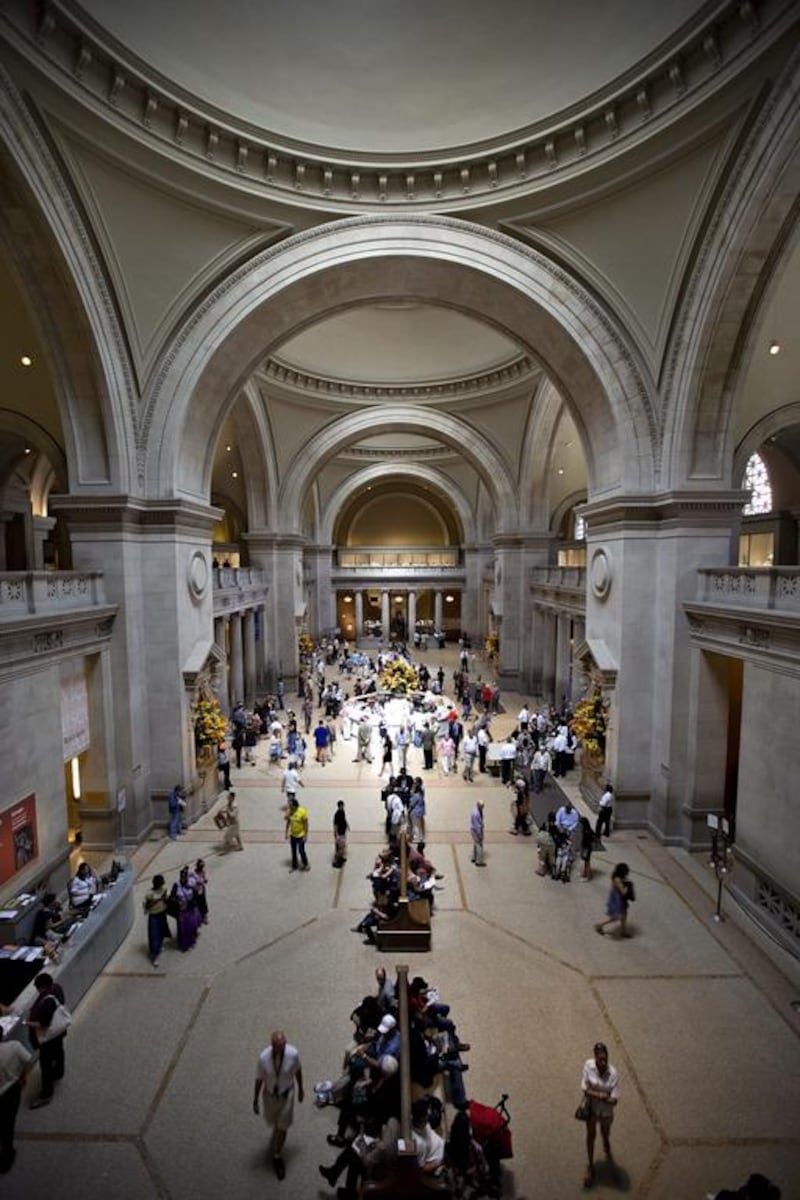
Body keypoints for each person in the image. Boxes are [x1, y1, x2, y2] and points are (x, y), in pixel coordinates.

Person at [253, 1030, 305, 1181]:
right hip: (269, 1096)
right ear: (272, 1045)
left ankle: (277, 1155)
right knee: (272, 1121)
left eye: (284, 1045)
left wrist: (301, 1089)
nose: (282, 1048)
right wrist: (255, 1099)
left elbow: (298, 1070)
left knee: (283, 1126)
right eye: (279, 1046)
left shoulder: (293, 1054)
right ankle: (277, 1127)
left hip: (286, 1094)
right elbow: (259, 1079)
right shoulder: (263, 1058)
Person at [580, 1041, 619, 1188]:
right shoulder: (588, 1066)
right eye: (600, 1058)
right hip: (592, 1110)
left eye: (605, 1058)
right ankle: (591, 1166)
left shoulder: (613, 1073)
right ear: (595, 1057)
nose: (603, 1061)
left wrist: (594, 1093)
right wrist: (602, 1095)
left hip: (606, 1112)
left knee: (605, 1133)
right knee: (590, 1136)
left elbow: (614, 1100)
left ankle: (606, 1142)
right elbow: (584, 1088)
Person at [27, 972, 67, 1109]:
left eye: (38, 988)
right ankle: (59, 1071)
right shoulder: (57, 988)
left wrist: (28, 1023)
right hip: (58, 1032)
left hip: (48, 1037)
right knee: (59, 1051)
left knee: (45, 1065)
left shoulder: (47, 1001)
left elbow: (43, 1024)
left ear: (42, 987)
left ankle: (46, 1094)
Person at [0, 1025, 32, 1172]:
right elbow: (28, 1060)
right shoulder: (14, 1046)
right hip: (12, 1090)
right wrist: (23, 1076)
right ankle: (7, 1155)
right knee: (8, 1124)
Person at [595, 863, 634, 937]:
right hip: (617, 899)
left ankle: (623, 931)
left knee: (624, 914)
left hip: (616, 896)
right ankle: (600, 925)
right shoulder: (618, 880)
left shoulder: (615, 875)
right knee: (616, 917)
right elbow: (623, 892)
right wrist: (629, 887)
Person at [170, 866, 201, 951]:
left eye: (185, 877)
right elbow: (171, 897)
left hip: (191, 907)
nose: (183, 878)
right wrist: (178, 900)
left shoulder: (191, 883)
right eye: (182, 877)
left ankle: (192, 941)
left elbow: (197, 891)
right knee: (183, 928)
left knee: (192, 925)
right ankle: (184, 945)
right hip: (182, 909)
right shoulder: (176, 885)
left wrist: (195, 889)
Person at [142, 873, 170, 967]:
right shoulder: (150, 894)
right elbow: (147, 906)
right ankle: (154, 956)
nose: (161, 885)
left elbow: (166, 899)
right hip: (153, 916)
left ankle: (160, 945)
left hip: (162, 913)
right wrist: (158, 900)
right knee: (154, 934)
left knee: (161, 931)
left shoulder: (163, 889)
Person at [285, 797, 310, 871]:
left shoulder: (302, 812)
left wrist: (305, 835)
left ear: (295, 806)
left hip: (301, 835)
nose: (289, 807)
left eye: (291, 806)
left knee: (301, 850)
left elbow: (306, 824)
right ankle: (294, 865)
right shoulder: (290, 811)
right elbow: (288, 822)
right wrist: (286, 832)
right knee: (293, 851)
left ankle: (306, 864)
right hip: (293, 835)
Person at [189, 858, 209, 924]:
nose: (202, 868)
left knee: (203, 903)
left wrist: (204, 880)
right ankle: (198, 918)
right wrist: (196, 883)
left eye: (202, 866)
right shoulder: (192, 873)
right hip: (195, 891)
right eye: (200, 866)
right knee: (196, 904)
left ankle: (204, 916)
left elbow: (205, 879)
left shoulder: (203, 872)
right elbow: (190, 882)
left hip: (201, 890)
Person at [333, 799, 349, 867]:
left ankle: (341, 858)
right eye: (341, 806)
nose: (342, 807)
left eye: (343, 806)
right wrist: (336, 833)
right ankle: (337, 861)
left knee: (342, 846)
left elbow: (344, 819)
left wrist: (347, 825)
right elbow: (335, 824)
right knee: (340, 847)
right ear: (339, 806)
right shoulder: (337, 814)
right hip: (339, 832)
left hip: (343, 831)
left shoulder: (343, 811)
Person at [470, 799, 486, 866]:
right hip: (476, 831)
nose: (482, 808)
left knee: (476, 844)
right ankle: (479, 861)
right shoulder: (476, 814)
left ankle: (474, 857)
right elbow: (477, 826)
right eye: (482, 806)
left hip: (474, 829)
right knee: (479, 845)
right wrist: (480, 835)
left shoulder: (476, 811)